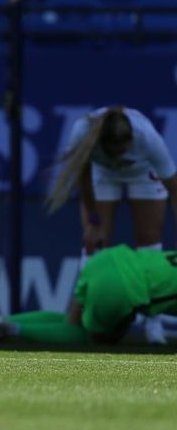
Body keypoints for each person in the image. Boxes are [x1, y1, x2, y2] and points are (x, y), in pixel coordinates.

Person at [45, 105, 177, 345]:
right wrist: (93, 223)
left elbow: (175, 190)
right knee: (94, 243)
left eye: (122, 150)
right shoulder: (82, 132)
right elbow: (82, 179)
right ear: (100, 144)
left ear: (132, 141)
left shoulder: (148, 139)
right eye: (111, 152)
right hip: (102, 177)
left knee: (149, 238)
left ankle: (153, 325)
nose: (117, 156)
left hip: (143, 174)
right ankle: (82, 317)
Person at [0, 246, 177, 348]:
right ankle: (10, 330)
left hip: (107, 258)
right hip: (122, 287)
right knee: (93, 338)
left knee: (70, 321)